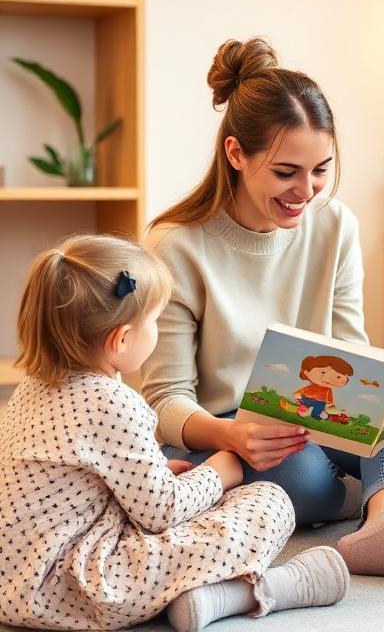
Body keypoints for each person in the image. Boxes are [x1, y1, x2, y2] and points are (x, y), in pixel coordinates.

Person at [140, 37, 384, 581]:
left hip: (325, 416)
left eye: (320, 170)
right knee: (295, 475)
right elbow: (165, 402)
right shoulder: (176, 246)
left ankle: (382, 526)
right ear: (235, 154)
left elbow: (353, 353)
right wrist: (230, 436)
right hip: (229, 431)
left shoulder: (336, 225)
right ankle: (366, 499)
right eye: (286, 172)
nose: (306, 191)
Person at [0, 235, 348, 632]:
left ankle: (209, 592)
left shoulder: (32, 385)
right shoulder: (112, 401)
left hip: (13, 584)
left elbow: (81, 477)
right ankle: (261, 590)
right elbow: (162, 513)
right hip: (81, 593)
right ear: (121, 339)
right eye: (153, 321)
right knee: (269, 501)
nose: (157, 331)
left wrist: (162, 471)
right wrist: (221, 468)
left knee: (199, 501)